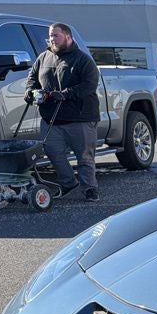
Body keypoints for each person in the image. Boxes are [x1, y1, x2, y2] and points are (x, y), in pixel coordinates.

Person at [24, 23, 100, 202]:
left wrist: (65, 95)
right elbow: (32, 79)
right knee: (52, 152)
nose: (52, 39)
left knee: (84, 157)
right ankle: (68, 183)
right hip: (51, 119)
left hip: (80, 118)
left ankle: (89, 189)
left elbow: (89, 85)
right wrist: (29, 92)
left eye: (56, 35)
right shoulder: (43, 57)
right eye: (50, 36)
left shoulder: (83, 60)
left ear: (68, 36)